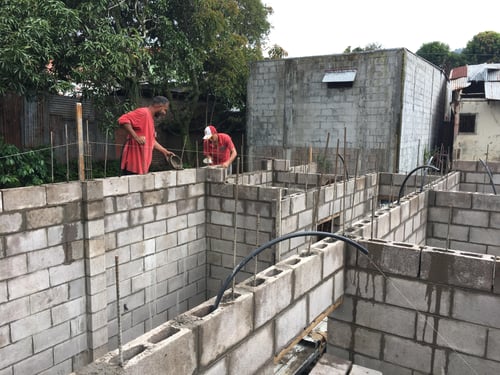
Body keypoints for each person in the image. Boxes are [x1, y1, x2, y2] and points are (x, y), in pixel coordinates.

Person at [118, 96, 174, 175]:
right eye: (165, 110)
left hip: (142, 165)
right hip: (133, 164)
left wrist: (165, 152)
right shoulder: (143, 112)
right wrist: (136, 137)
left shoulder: (150, 118)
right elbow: (122, 120)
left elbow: (151, 140)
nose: (164, 113)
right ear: (159, 105)